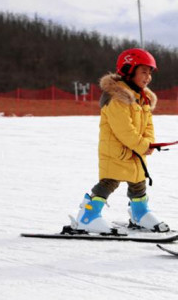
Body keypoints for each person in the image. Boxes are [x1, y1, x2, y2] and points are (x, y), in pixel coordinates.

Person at [72, 48, 168, 233]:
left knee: (139, 181)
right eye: (143, 72)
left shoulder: (143, 98)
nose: (148, 77)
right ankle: (88, 216)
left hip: (135, 151)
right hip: (116, 151)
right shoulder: (117, 97)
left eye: (150, 73)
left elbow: (148, 126)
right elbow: (123, 129)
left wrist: (149, 143)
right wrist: (142, 145)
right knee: (109, 182)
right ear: (128, 70)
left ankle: (140, 214)